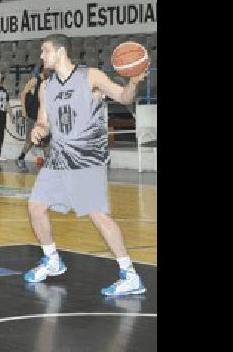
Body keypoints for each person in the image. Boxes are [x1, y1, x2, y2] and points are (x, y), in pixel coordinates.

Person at [22, 33, 148, 297]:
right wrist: (39, 129)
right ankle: (52, 260)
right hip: (58, 157)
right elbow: (44, 121)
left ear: (60, 52)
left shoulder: (91, 76)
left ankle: (130, 274)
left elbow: (124, 97)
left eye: (45, 51)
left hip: (86, 157)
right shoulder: (46, 86)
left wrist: (133, 81)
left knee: (98, 215)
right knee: (35, 206)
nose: (42, 56)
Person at [16, 67, 50, 168]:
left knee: (46, 141)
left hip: (44, 117)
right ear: (43, 69)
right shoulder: (35, 80)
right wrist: (23, 110)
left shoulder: (50, 82)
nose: (49, 70)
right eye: (47, 69)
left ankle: (48, 163)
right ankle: (20, 158)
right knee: (30, 141)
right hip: (34, 116)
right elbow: (23, 94)